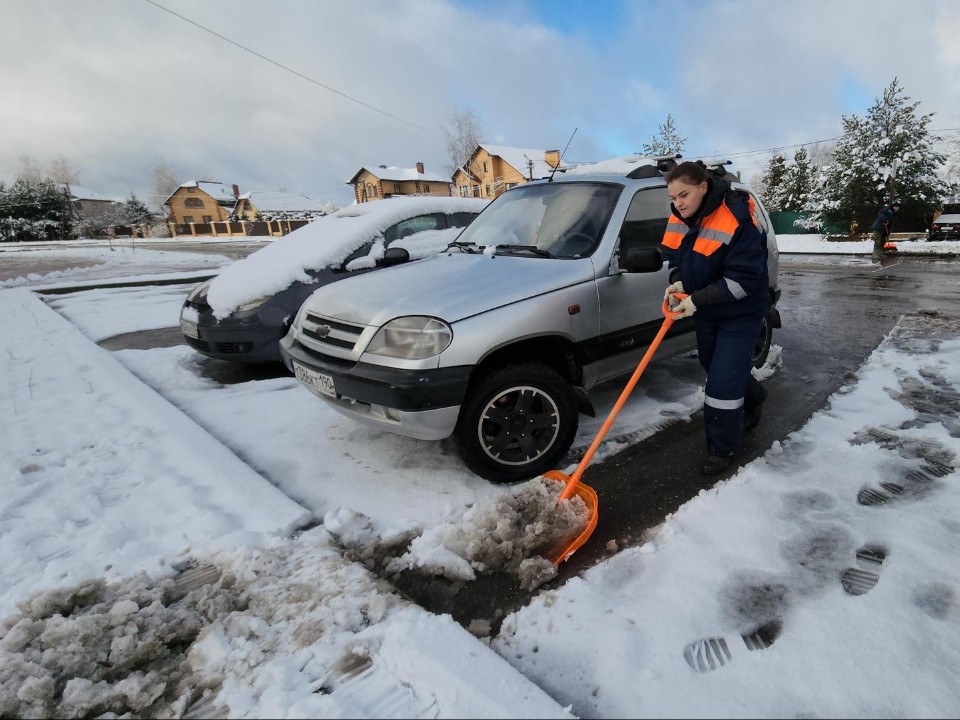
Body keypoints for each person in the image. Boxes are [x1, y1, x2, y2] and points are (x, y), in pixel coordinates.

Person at [660, 161, 770, 475]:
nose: (679, 202)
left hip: (741, 311)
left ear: (703, 187)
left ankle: (722, 449)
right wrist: (678, 281)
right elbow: (676, 255)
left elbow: (743, 281)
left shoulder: (736, 216)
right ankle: (755, 394)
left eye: (684, 194)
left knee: (721, 384)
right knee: (714, 365)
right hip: (708, 311)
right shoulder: (679, 215)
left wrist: (696, 298)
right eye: (674, 196)